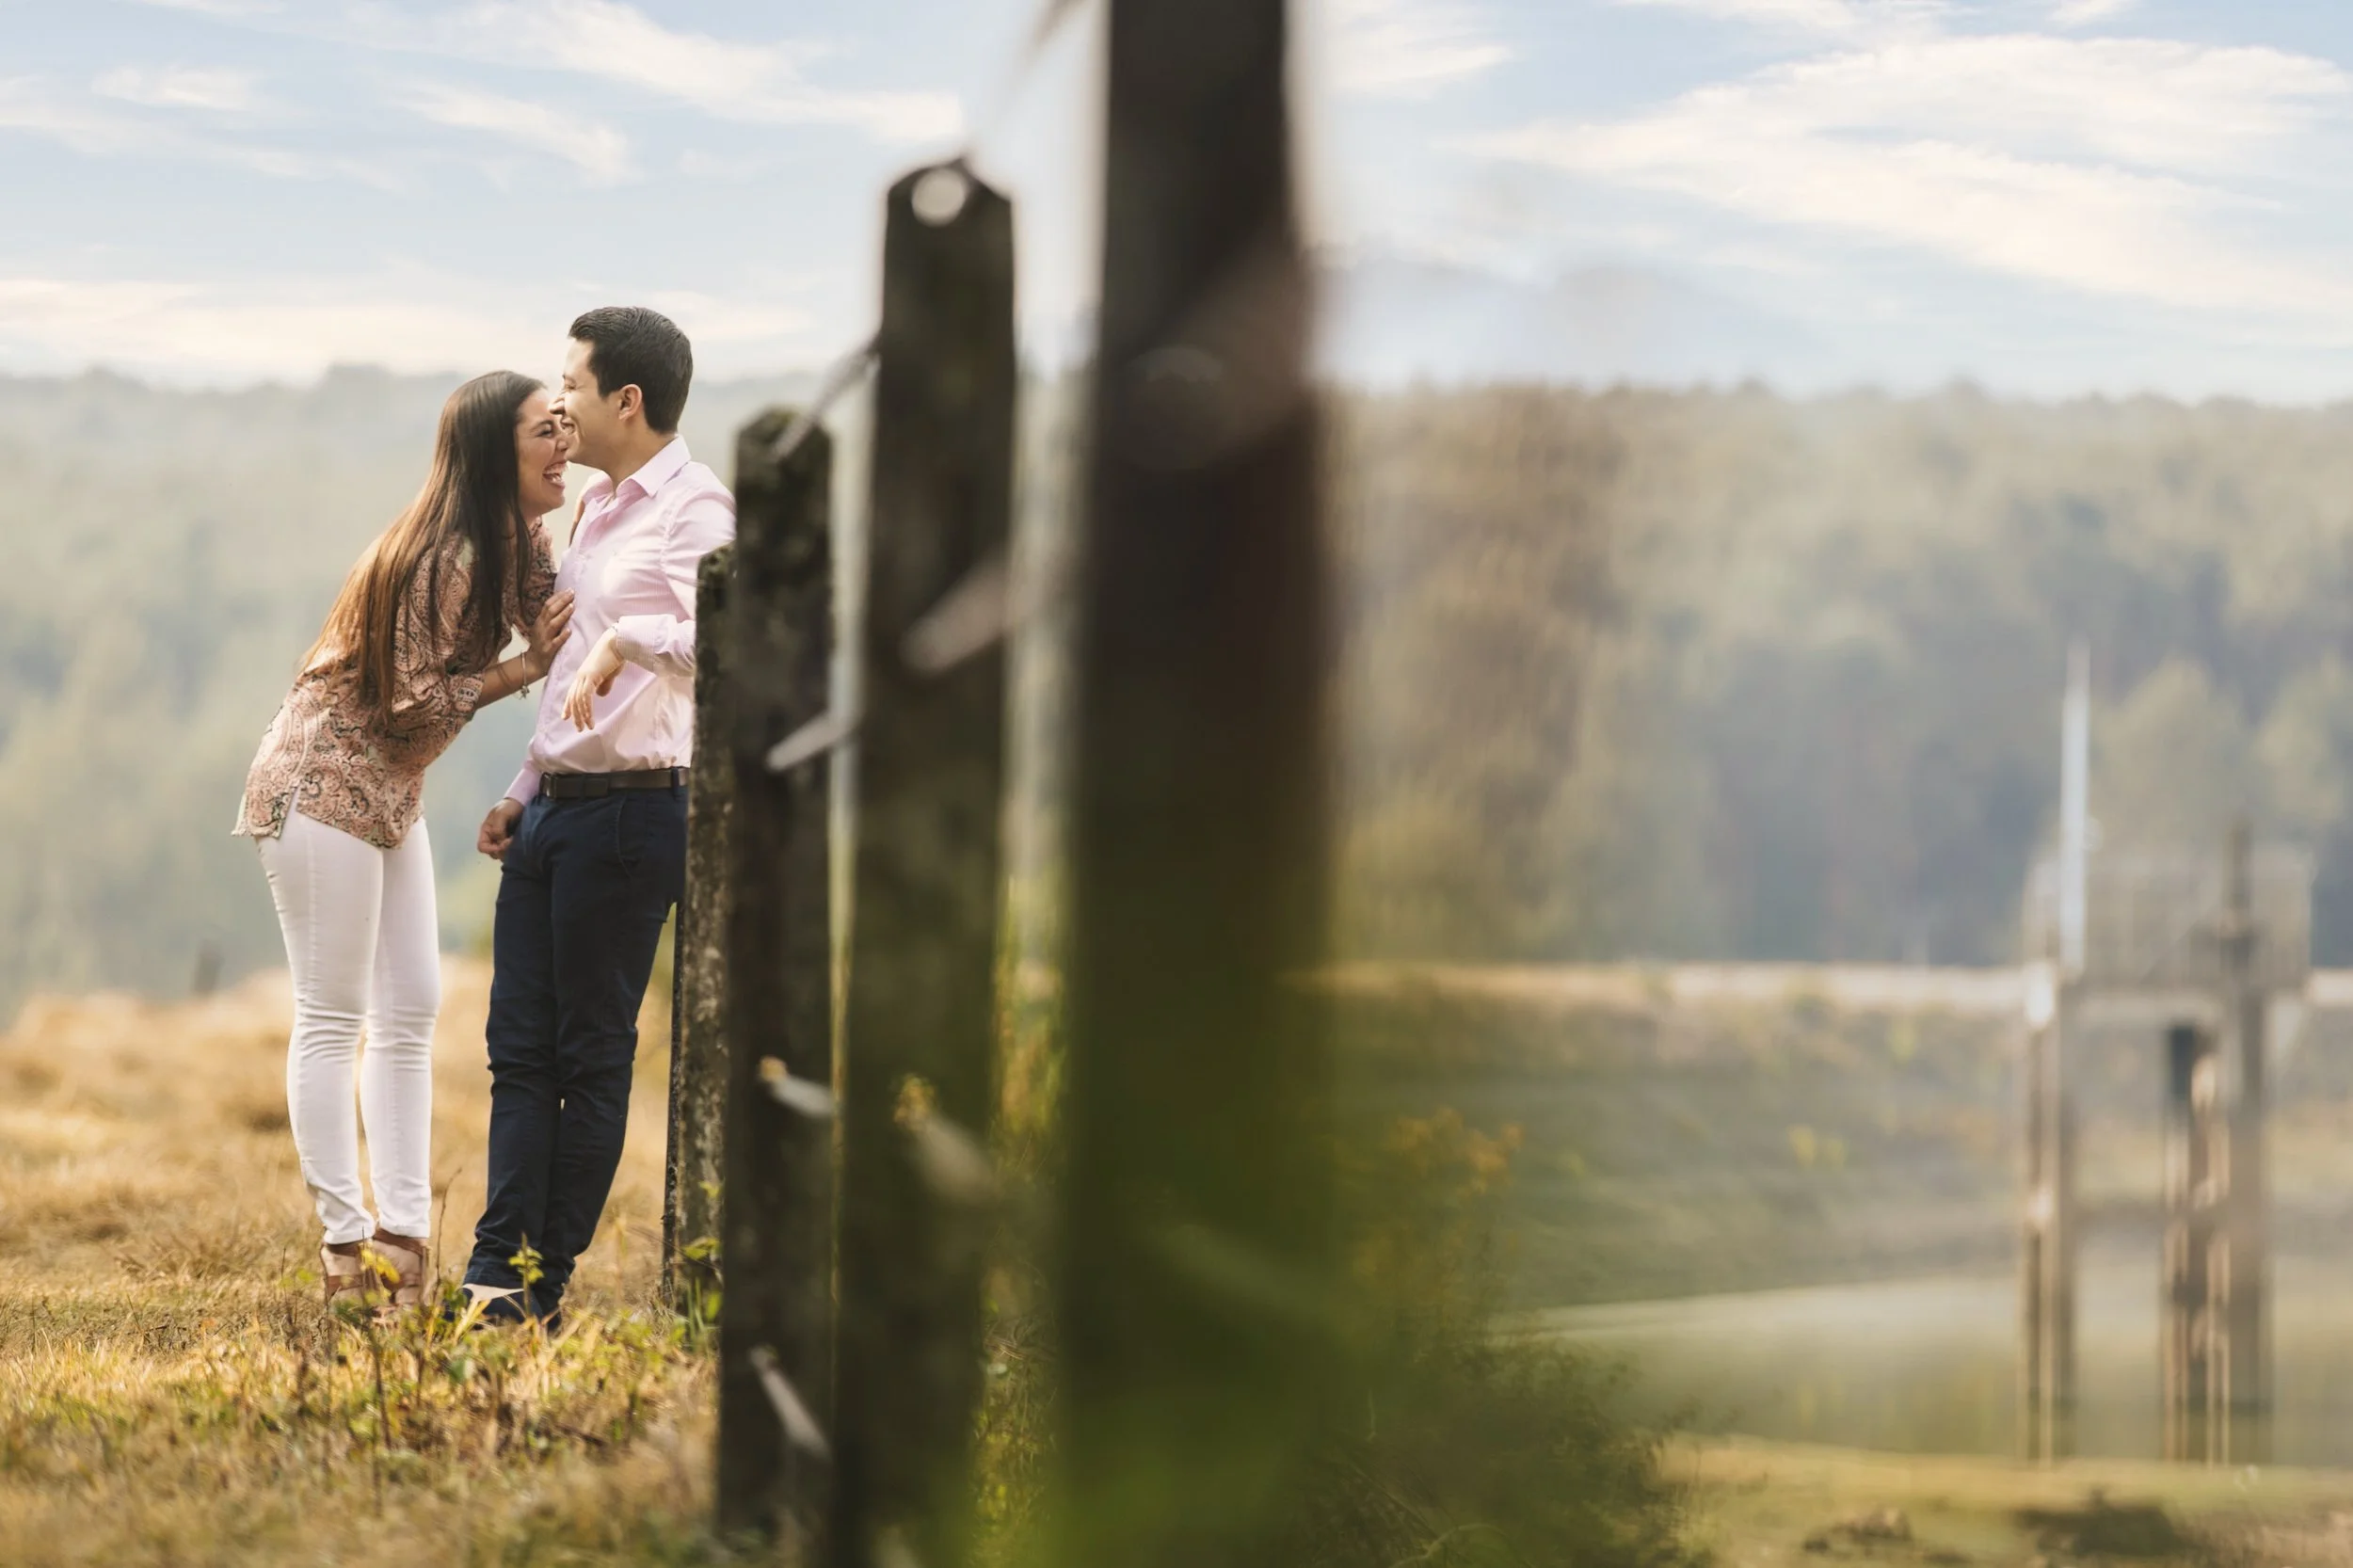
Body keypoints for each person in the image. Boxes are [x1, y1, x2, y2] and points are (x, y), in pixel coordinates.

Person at [236, 370, 575, 1313]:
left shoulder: (519, 538)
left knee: (413, 1007)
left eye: (567, 423)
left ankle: (404, 1240)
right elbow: (406, 700)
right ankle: (345, 1247)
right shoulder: (450, 553)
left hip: (392, 790)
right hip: (320, 782)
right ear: (489, 452)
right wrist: (526, 667)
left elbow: (570, 608)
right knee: (335, 1013)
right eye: (544, 429)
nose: (564, 443)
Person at [460, 307, 734, 1326]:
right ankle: (495, 1278)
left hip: (633, 819)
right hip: (552, 815)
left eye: (570, 383)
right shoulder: (595, 515)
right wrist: (520, 792)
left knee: (589, 1056)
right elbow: (568, 672)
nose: (560, 402)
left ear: (629, 398)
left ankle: (539, 1286)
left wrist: (630, 640)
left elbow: (727, 641)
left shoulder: (694, 508)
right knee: (517, 1051)